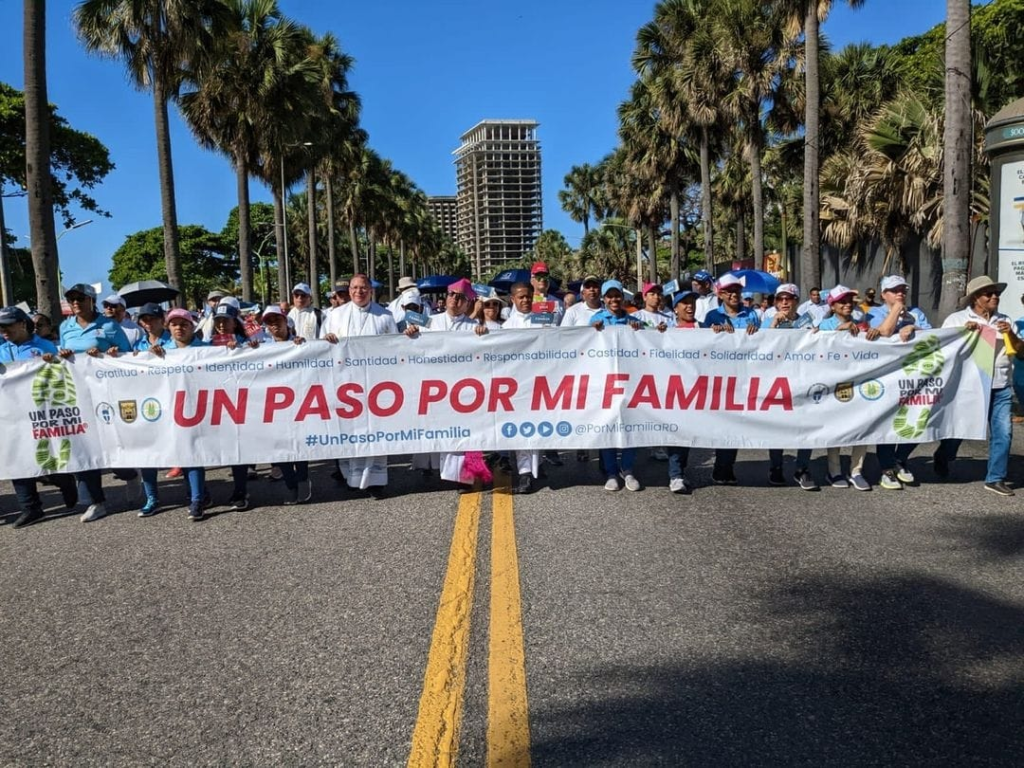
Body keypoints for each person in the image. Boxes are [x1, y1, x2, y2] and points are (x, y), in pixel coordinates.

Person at [935, 276, 1020, 496]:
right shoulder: (957, 319)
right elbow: (943, 349)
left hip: (1000, 384)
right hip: (969, 385)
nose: (995, 297)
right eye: (988, 294)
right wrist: (963, 333)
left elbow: (1021, 352)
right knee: (960, 428)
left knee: (1003, 432)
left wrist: (1009, 333)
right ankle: (943, 455)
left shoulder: (1005, 319)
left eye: (997, 294)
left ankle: (995, 478)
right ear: (976, 298)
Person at [54, 284, 131, 522]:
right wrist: (62, 355)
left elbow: (126, 355)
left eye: (80, 298)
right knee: (85, 445)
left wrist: (112, 354)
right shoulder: (65, 327)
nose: (75, 302)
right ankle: (97, 502)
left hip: (106, 393)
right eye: (71, 298)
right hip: (77, 395)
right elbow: (62, 354)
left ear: (91, 300)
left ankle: (129, 473)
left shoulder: (109, 325)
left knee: (112, 444)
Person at [0, 306, 78, 528]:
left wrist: (54, 360)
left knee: (43, 456)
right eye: (0, 327)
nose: (3, 330)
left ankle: (63, 480)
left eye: (7, 325)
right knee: (15, 459)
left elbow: (62, 373)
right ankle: (31, 508)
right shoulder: (2, 349)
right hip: (9, 413)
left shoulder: (43, 346)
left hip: (39, 411)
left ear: (22, 324)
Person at [407, 279, 488, 490]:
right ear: (447, 296)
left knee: (465, 432)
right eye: (453, 294)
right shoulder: (430, 322)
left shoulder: (474, 327)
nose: (456, 300)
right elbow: (412, 346)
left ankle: (463, 476)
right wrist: (411, 333)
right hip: (436, 387)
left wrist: (482, 335)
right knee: (437, 428)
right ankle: (432, 469)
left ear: (468, 302)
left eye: (461, 297)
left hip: (464, 389)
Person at [324, 274, 399, 498]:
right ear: (349, 291)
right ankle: (352, 478)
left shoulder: (385, 315)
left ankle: (376, 481)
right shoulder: (335, 315)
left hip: (376, 384)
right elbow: (322, 346)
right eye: (355, 288)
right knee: (351, 430)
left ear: (370, 290)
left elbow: (394, 347)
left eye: (364, 288)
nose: (359, 292)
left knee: (375, 429)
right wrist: (326, 339)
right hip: (346, 383)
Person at [137, 308, 210, 520]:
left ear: (192, 326)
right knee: (150, 452)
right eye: (174, 324)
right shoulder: (161, 350)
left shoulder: (206, 350)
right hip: (163, 408)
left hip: (195, 408)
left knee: (191, 452)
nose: (179, 327)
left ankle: (197, 500)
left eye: (184, 323)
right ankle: (157, 497)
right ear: (168, 327)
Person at [866, 275, 932, 490]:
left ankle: (899, 459)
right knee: (887, 422)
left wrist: (914, 328)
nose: (900, 293)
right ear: (884, 294)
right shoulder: (874, 312)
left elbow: (934, 337)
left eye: (903, 289)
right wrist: (896, 310)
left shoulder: (917, 313)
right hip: (885, 377)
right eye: (894, 290)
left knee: (919, 419)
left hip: (913, 377)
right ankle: (887, 469)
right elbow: (883, 333)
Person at [763, 283, 818, 490]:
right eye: (780, 299)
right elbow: (761, 351)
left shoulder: (807, 323)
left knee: (807, 426)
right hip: (777, 382)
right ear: (775, 302)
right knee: (777, 426)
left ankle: (802, 468)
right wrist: (773, 326)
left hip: (803, 381)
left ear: (796, 301)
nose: (784, 302)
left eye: (789, 299)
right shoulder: (767, 321)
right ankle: (775, 466)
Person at [817, 286, 872, 491]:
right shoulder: (824, 324)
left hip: (858, 381)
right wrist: (834, 333)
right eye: (842, 301)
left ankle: (856, 470)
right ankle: (834, 470)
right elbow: (815, 350)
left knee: (863, 424)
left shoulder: (862, 323)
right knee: (835, 425)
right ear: (832, 305)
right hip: (833, 382)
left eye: (850, 300)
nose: (847, 304)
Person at [591, 280, 643, 491]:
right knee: (608, 426)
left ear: (623, 297)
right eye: (609, 296)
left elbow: (653, 341)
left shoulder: (633, 320)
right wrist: (592, 330)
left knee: (631, 425)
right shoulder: (596, 320)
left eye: (617, 295)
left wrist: (644, 330)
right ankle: (611, 472)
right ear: (604, 299)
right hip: (605, 383)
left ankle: (628, 469)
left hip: (631, 382)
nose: (614, 300)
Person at [258, 305, 312, 504]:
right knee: (280, 448)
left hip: (298, 403)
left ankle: (303, 478)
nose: (274, 326)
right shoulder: (262, 347)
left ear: (285, 322)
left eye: (277, 321)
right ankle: (291, 485)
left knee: (299, 445)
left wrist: (303, 346)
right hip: (273, 406)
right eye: (269, 323)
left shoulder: (300, 343)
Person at [529, 262, 564, 326]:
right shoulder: (525, 302)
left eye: (545, 276)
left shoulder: (558, 303)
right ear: (531, 281)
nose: (542, 279)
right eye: (538, 276)